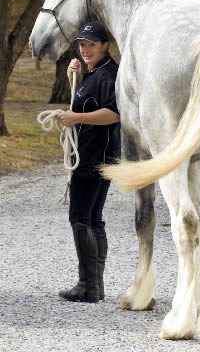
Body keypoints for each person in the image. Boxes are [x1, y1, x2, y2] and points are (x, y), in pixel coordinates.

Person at [56, 21, 121, 303]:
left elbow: (114, 113)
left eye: (91, 44)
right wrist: (78, 77)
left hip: (93, 157)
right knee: (93, 219)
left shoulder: (106, 75)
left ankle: (88, 285)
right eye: (82, 44)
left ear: (105, 45)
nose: (85, 49)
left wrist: (76, 118)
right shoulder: (98, 73)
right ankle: (95, 286)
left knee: (81, 218)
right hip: (99, 155)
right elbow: (91, 102)